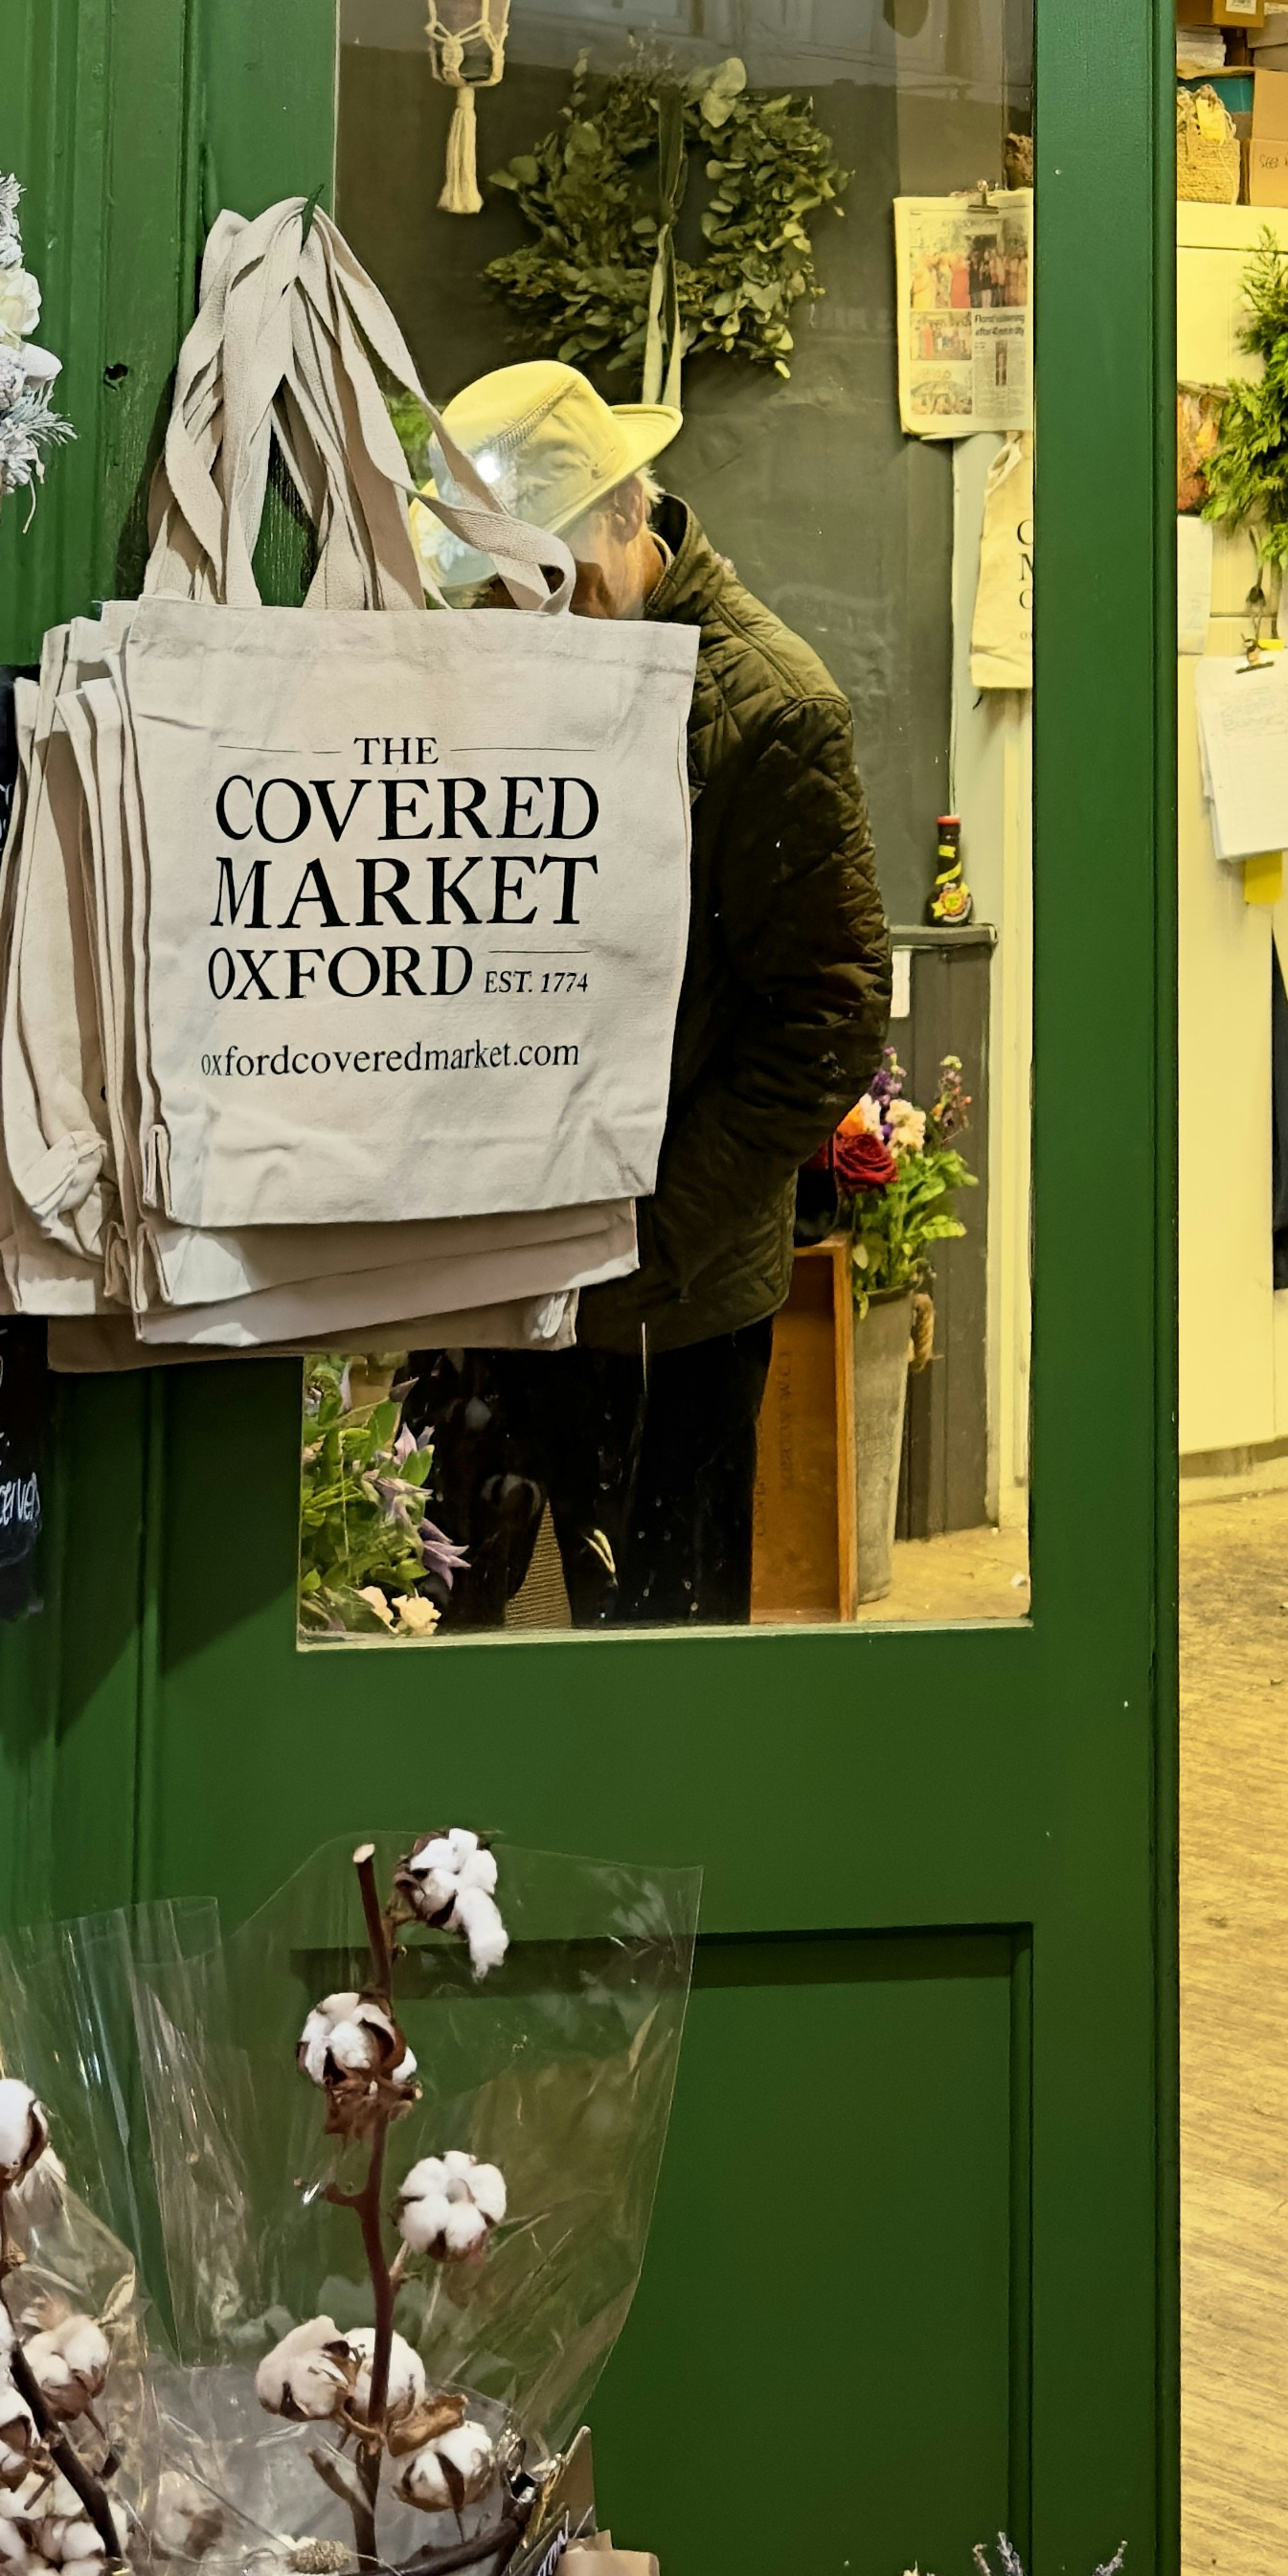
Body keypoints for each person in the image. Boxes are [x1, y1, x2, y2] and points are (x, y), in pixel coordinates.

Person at [406, 356, 886, 1628]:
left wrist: (652, 1241)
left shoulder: (771, 710)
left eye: (557, 578)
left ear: (631, 512)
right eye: (503, 585)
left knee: (658, 1646)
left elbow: (827, 1018)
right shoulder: (502, 664)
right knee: (456, 1625)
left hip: (663, 1311)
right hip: (494, 1270)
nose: (531, 611)